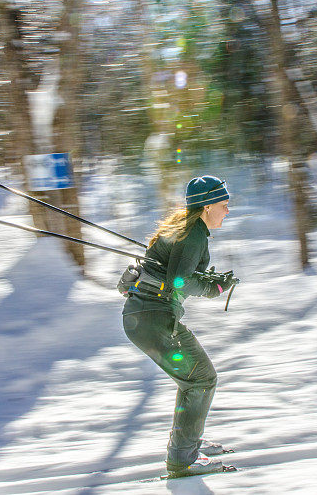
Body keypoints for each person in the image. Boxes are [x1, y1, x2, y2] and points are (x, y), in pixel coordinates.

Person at [122, 175, 236, 477]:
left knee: (194, 380)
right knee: (201, 379)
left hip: (145, 318)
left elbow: (176, 272)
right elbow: (179, 281)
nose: (227, 210)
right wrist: (216, 289)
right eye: (224, 205)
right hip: (155, 320)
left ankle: (188, 444)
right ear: (208, 206)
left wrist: (209, 279)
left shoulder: (184, 228)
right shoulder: (194, 234)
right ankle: (183, 459)